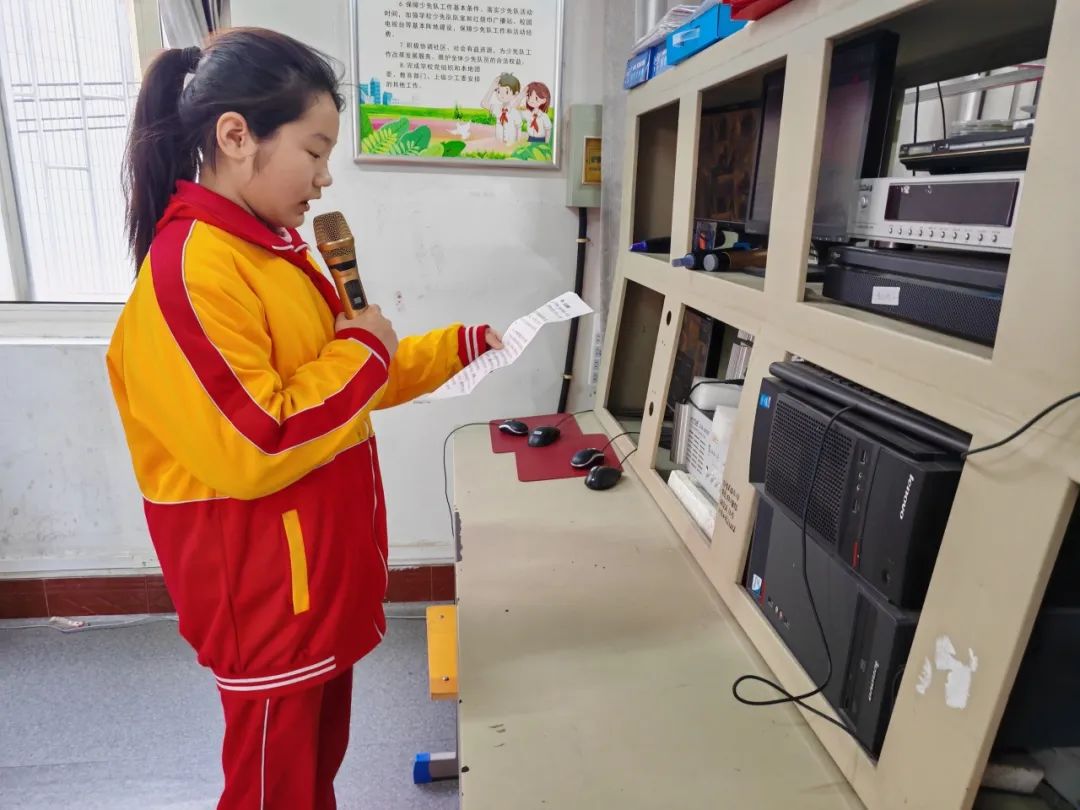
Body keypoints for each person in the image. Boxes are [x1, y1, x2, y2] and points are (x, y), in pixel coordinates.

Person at [108, 28, 501, 810]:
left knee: (310, 779)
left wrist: (457, 348)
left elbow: (337, 389)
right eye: (314, 151)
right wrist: (365, 349)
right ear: (235, 137)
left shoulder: (270, 254)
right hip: (264, 600)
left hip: (313, 582)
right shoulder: (193, 270)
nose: (325, 178)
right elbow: (260, 439)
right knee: (271, 791)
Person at [481, 72, 523, 145]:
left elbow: (518, 129)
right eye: (498, 91)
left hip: (511, 144)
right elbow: (483, 103)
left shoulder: (514, 113)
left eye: (506, 91)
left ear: (515, 94)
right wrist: (492, 88)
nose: (501, 95)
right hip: (498, 144)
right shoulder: (497, 108)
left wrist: (517, 144)